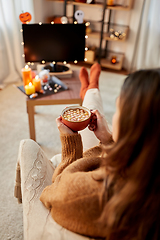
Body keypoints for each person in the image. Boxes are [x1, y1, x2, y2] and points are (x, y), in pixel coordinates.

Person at [15, 64, 160, 240]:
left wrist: (70, 144)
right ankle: (90, 87)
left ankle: (91, 89)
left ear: (135, 128)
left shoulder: (89, 195)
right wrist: (108, 140)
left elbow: (55, 189)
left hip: (84, 171)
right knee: (91, 112)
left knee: (29, 144)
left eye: (119, 109)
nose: (115, 117)